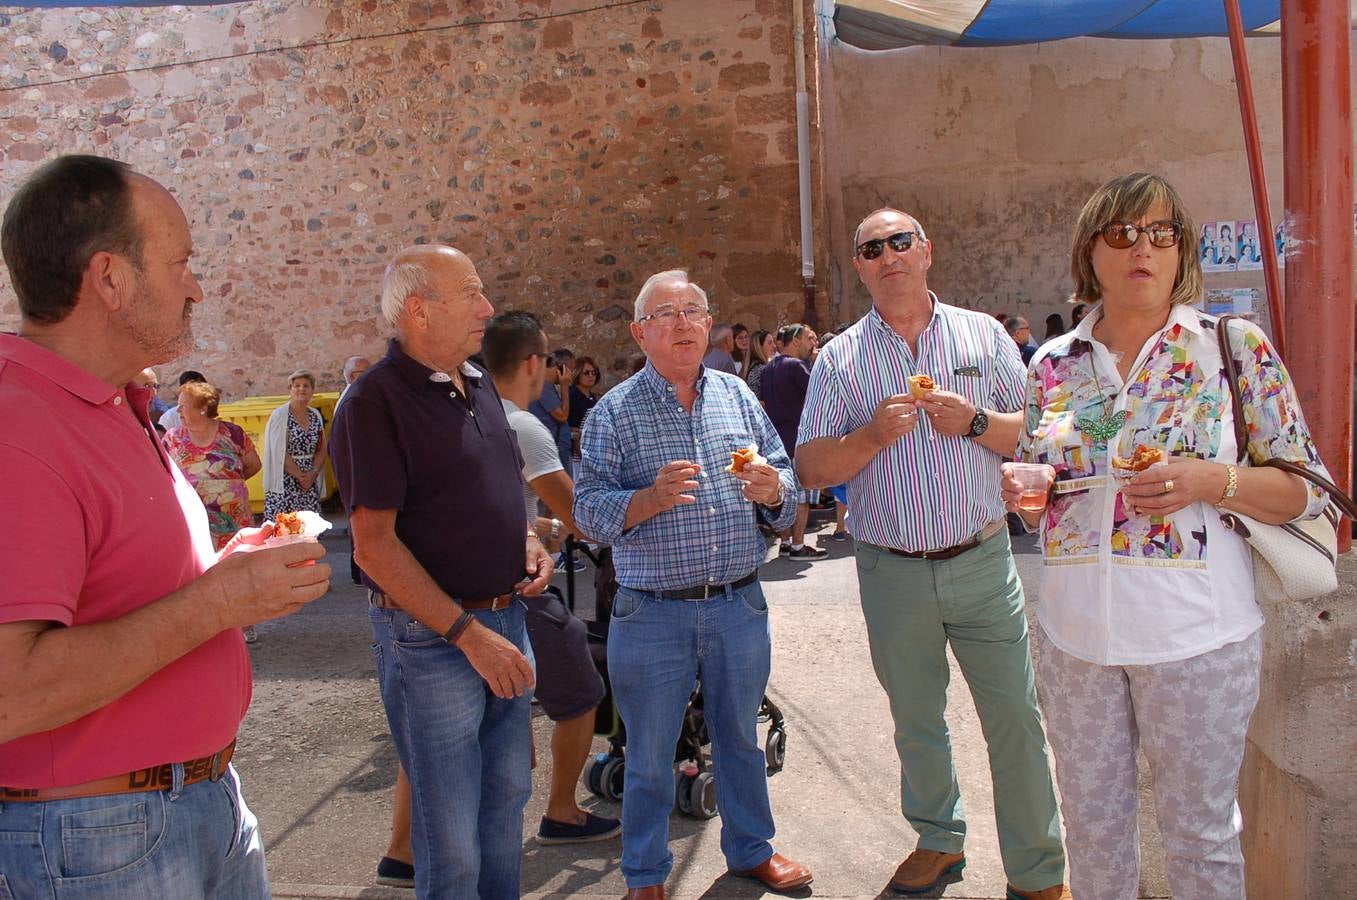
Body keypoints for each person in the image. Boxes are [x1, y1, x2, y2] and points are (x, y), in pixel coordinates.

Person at [0, 154, 329, 897]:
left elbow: (123, 588)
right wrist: (219, 602)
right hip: (98, 838)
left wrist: (226, 569)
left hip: (185, 806)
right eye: (180, 262)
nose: (196, 287)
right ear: (109, 279)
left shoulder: (112, 403)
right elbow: (9, 694)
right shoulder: (18, 427)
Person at [1003, 172, 1328, 900]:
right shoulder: (1051, 366)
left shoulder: (1230, 348)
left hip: (1197, 638)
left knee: (1201, 838)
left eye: (1160, 233)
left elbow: (1305, 489)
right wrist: (1028, 499)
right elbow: (1048, 480)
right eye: (1120, 234)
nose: (1140, 249)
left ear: (1181, 251)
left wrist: (1212, 480)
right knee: (1091, 836)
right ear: (1091, 252)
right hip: (1074, 640)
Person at [796, 209, 1068, 900]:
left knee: (1014, 720)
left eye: (899, 242)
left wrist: (974, 421)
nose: (887, 255)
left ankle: (1037, 871)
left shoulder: (983, 335)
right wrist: (867, 439)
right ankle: (938, 839)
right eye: (870, 248)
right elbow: (809, 467)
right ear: (858, 266)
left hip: (980, 560)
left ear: (925, 252)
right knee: (917, 721)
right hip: (891, 570)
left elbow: (1037, 435)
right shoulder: (840, 358)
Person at [575, 270, 813, 900]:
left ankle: (751, 849)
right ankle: (646, 875)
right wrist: (648, 500)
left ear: (709, 324)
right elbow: (588, 511)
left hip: (739, 601)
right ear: (640, 332)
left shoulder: (738, 395)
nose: (682, 323)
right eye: (665, 314)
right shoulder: (613, 413)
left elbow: (786, 488)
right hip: (652, 612)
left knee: (739, 737)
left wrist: (774, 492)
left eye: (693, 311)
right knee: (650, 754)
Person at [329, 244, 549, 898]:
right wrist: (466, 633)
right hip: (436, 641)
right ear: (419, 311)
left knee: (506, 796)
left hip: (504, 617)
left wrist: (528, 539)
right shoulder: (373, 401)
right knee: (450, 828)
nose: (488, 308)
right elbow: (372, 547)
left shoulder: (476, 382)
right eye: (472, 294)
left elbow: (498, 485)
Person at [483, 311, 620, 843]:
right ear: (536, 364)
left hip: (468, 586)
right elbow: (581, 510)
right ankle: (563, 812)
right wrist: (635, 515)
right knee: (583, 689)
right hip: (517, 589)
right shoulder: (521, 424)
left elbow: (491, 504)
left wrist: (536, 526)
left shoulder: (470, 412)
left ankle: (401, 852)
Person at [163, 380, 261, 551]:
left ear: (203, 408)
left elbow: (254, 465)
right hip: (194, 520)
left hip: (234, 520)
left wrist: (229, 484)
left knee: (238, 566)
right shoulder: (172, 439)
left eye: (183, 406)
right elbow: (163, 473)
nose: (177, 411)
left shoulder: (232, 434)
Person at [760, 323, 827, 559]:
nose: (813, 345)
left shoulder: (768, 368)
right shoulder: (797, 366)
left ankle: (786, 541)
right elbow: (819, 394)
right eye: (809, 339)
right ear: (796, 342)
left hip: (777, 440)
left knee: (786, 495)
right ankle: (798, 545)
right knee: (801, 497)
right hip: (799, 440)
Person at [262, 369, 328, 520]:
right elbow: (279, 451)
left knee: (309, 529)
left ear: (312, 390)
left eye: (306, 385)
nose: (301, 389)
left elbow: (321, 448)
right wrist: (301, 477)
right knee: (287, 528)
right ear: (289, 389)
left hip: (310, 478)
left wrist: (313, 473)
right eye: (296, 385)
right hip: (286, 480)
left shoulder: (315, 415)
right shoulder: (280, 415)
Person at [568, 354, 603, 456]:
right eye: (586, 373)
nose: (591, 376)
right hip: (577, 455)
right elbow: (573, 428)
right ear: (578, 373)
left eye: (594, 372)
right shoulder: (572, 395)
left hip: (591, 451)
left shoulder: (591, 397)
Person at [745, 328, 774, 397]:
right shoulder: (761, 369)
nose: (774, 346)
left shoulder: (754, 368)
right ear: (759, 347)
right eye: (770, 343)